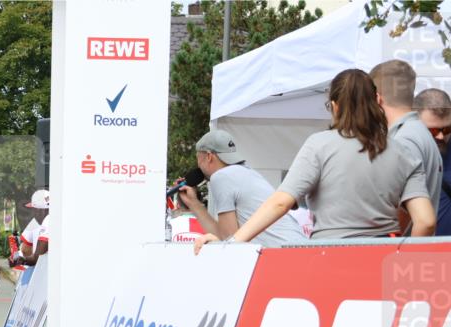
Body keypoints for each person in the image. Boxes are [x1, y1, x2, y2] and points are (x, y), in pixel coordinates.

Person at [195, 69, 435, 253]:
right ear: (377, 100)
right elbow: (425, 221)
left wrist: (232, 244)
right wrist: (404, 257)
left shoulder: (319, 145)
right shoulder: (404, 151)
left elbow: (280, 203)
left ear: (334, 106)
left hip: (329, 254)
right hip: (382, 254)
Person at [178, 131, 306, 246]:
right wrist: (193, 203)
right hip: (296, 249)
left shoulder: (221, 177)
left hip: (281, 255)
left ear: (209, 156)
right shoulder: (246, 171)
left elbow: (228, 241)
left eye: (198, 159)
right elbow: (229, 239)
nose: (198, 165)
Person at [370, 60, 443, 216]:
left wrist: (394, 240)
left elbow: (405, 213)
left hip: (404, 239)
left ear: (377, 98)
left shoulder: (402, 141)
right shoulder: (418, 133)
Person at [413, 88, 451, 236]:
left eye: (447, 129)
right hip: (421, 253)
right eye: (433, 131)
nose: (441, 137)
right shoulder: (402, 153)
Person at [19, 189, 49, 264]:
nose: (32, 213)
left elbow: (36, 257)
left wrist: (22, 260)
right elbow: (25, 250)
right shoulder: (35, 222)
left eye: (33, 209)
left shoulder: (48, 220)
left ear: (40, 210)